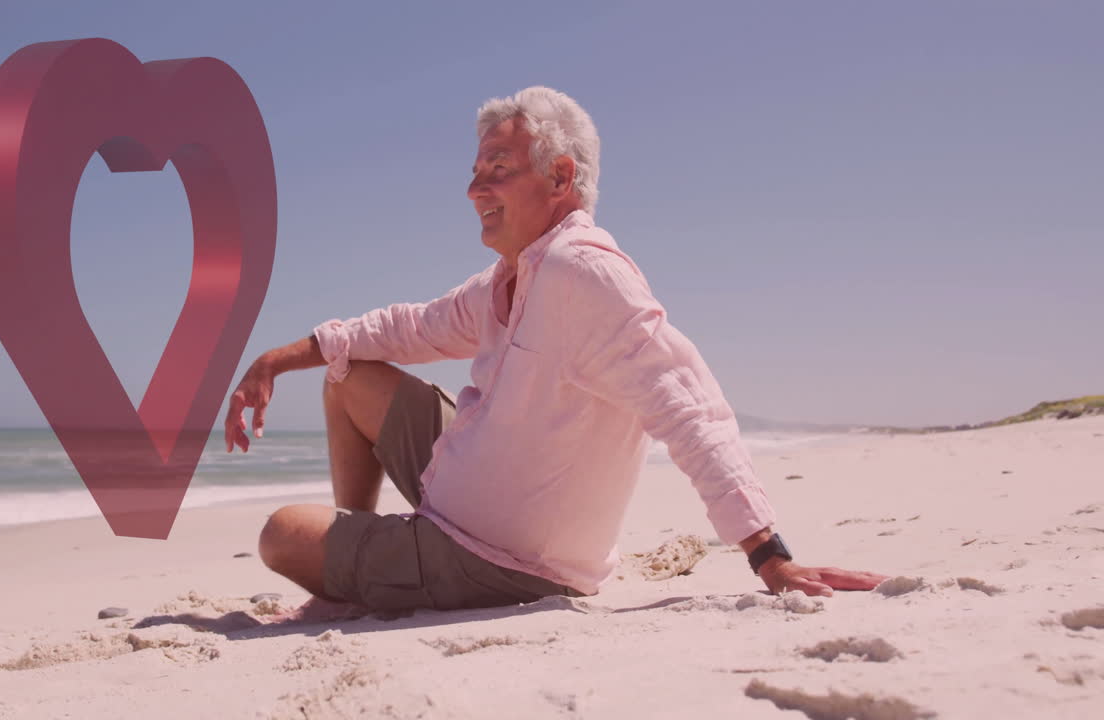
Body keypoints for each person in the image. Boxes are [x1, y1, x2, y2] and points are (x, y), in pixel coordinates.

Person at [225, 86, 887, 612]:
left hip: (501, 558)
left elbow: (687, 406)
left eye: (498, 170)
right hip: (464, 490)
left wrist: (768, 554)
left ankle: (355, 575)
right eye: (476, 169)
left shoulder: (584, 273)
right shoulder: (513, 276)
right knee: (348, 376)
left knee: (282, 533)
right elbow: (409, 326)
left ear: (561, 177)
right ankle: (360, 563)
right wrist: (276, 359)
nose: (474, 188)